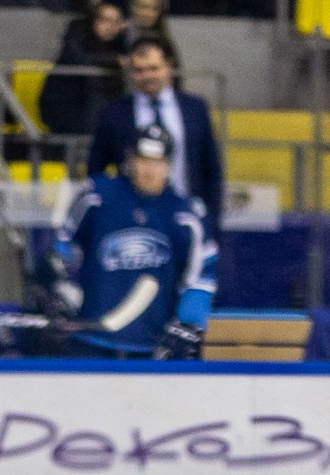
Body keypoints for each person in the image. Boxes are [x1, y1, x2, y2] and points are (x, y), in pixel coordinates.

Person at [50, 123, 216, 359]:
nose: (149, 170)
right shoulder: (97, 197)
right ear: (130, 160)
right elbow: (63, 248)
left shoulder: (185, 214)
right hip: (90, 342)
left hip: (151, 349)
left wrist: (188, 321)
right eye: (143, 160)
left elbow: (203, 275)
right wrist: (60, 284)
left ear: (169, 165)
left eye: (158, 162)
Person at [86, 40, 223, 236]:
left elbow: (211, 170)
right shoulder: (114, 113)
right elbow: (95, 170)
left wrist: (211, 222)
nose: (147, 76)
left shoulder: (195, 109)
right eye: (139, 70)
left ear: (168, 66)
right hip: (131, 224)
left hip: (186, 220)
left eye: (153, 68)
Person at [37, 2, 130, 152]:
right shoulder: (77, 32)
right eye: (105, 20)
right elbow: (80, 59)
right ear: (94, 20)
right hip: (66, 106)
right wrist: (114, 61)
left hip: (97, 112)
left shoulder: (119, 44)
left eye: (116, 22)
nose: (110, 27)